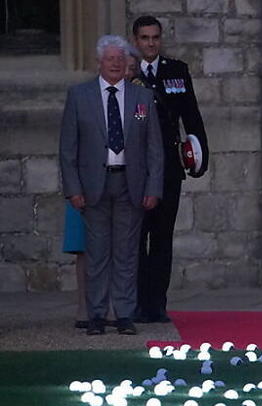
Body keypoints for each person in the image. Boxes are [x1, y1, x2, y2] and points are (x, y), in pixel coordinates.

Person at [59, 34, 163, 335]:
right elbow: (68, 149)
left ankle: (124, 315)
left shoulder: (142, 98)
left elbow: (154, 148)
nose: (115, 64)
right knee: (97, 253)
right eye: (110, 59)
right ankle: (96, 315)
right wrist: (73, 189)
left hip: (131, 184)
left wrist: (153, 188)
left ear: (126, 63)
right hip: (93, 185)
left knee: (127, 254)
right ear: (99, 63)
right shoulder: (79, 96)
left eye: (120, 59)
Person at [131, 15, 210, 323]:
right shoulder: (128, 72)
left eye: (155, 38)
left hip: (168, 167)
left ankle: (157, 305)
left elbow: (191, 116)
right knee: (137, 239)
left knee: (162, 238)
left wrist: (200, 158)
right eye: (144, 38)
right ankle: (137, 304)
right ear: (136, 40)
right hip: (137, 169)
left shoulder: (176, 71)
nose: (150, 43)